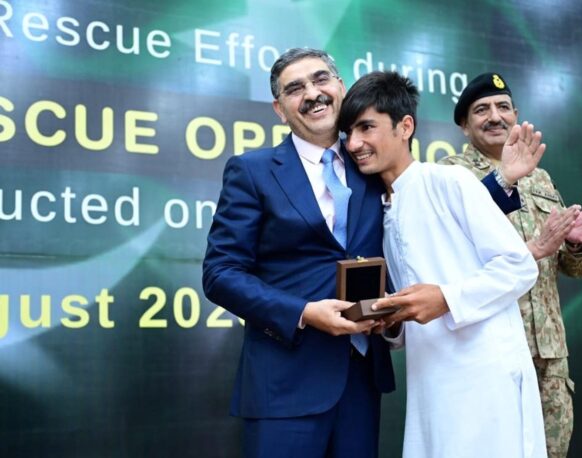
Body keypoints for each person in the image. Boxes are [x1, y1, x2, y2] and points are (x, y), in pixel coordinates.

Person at [202, 49, 536, 457]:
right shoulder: (252, 171)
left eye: (321, 79)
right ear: (279, 108)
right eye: (295, 88)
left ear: (340, 87)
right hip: (285, 385)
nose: (312, 93)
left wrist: (502, 181)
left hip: (361, 381)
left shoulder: (373, 165)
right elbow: (221, 273)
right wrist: (303, 312)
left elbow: (432, 211)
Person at [339, 70, 547, 457]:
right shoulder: (382, 210)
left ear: (405, 127)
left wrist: (445, 299)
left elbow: (519, 265)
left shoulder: (449, 181)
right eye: (348, 132)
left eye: (366, 127)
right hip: (430, 380)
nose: (354, 144)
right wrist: (391, 322)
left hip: (485, 377)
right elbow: (413, 307)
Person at [438, 72, 582, 457]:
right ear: (464, 125)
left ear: (516, 115)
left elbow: (572, 268)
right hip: (490, 345)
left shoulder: (541, 178)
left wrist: (573, 243)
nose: (494, 116)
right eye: (481, 110)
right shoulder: (450, 175)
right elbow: (449, 249)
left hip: (549, 351)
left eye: (503, 107)